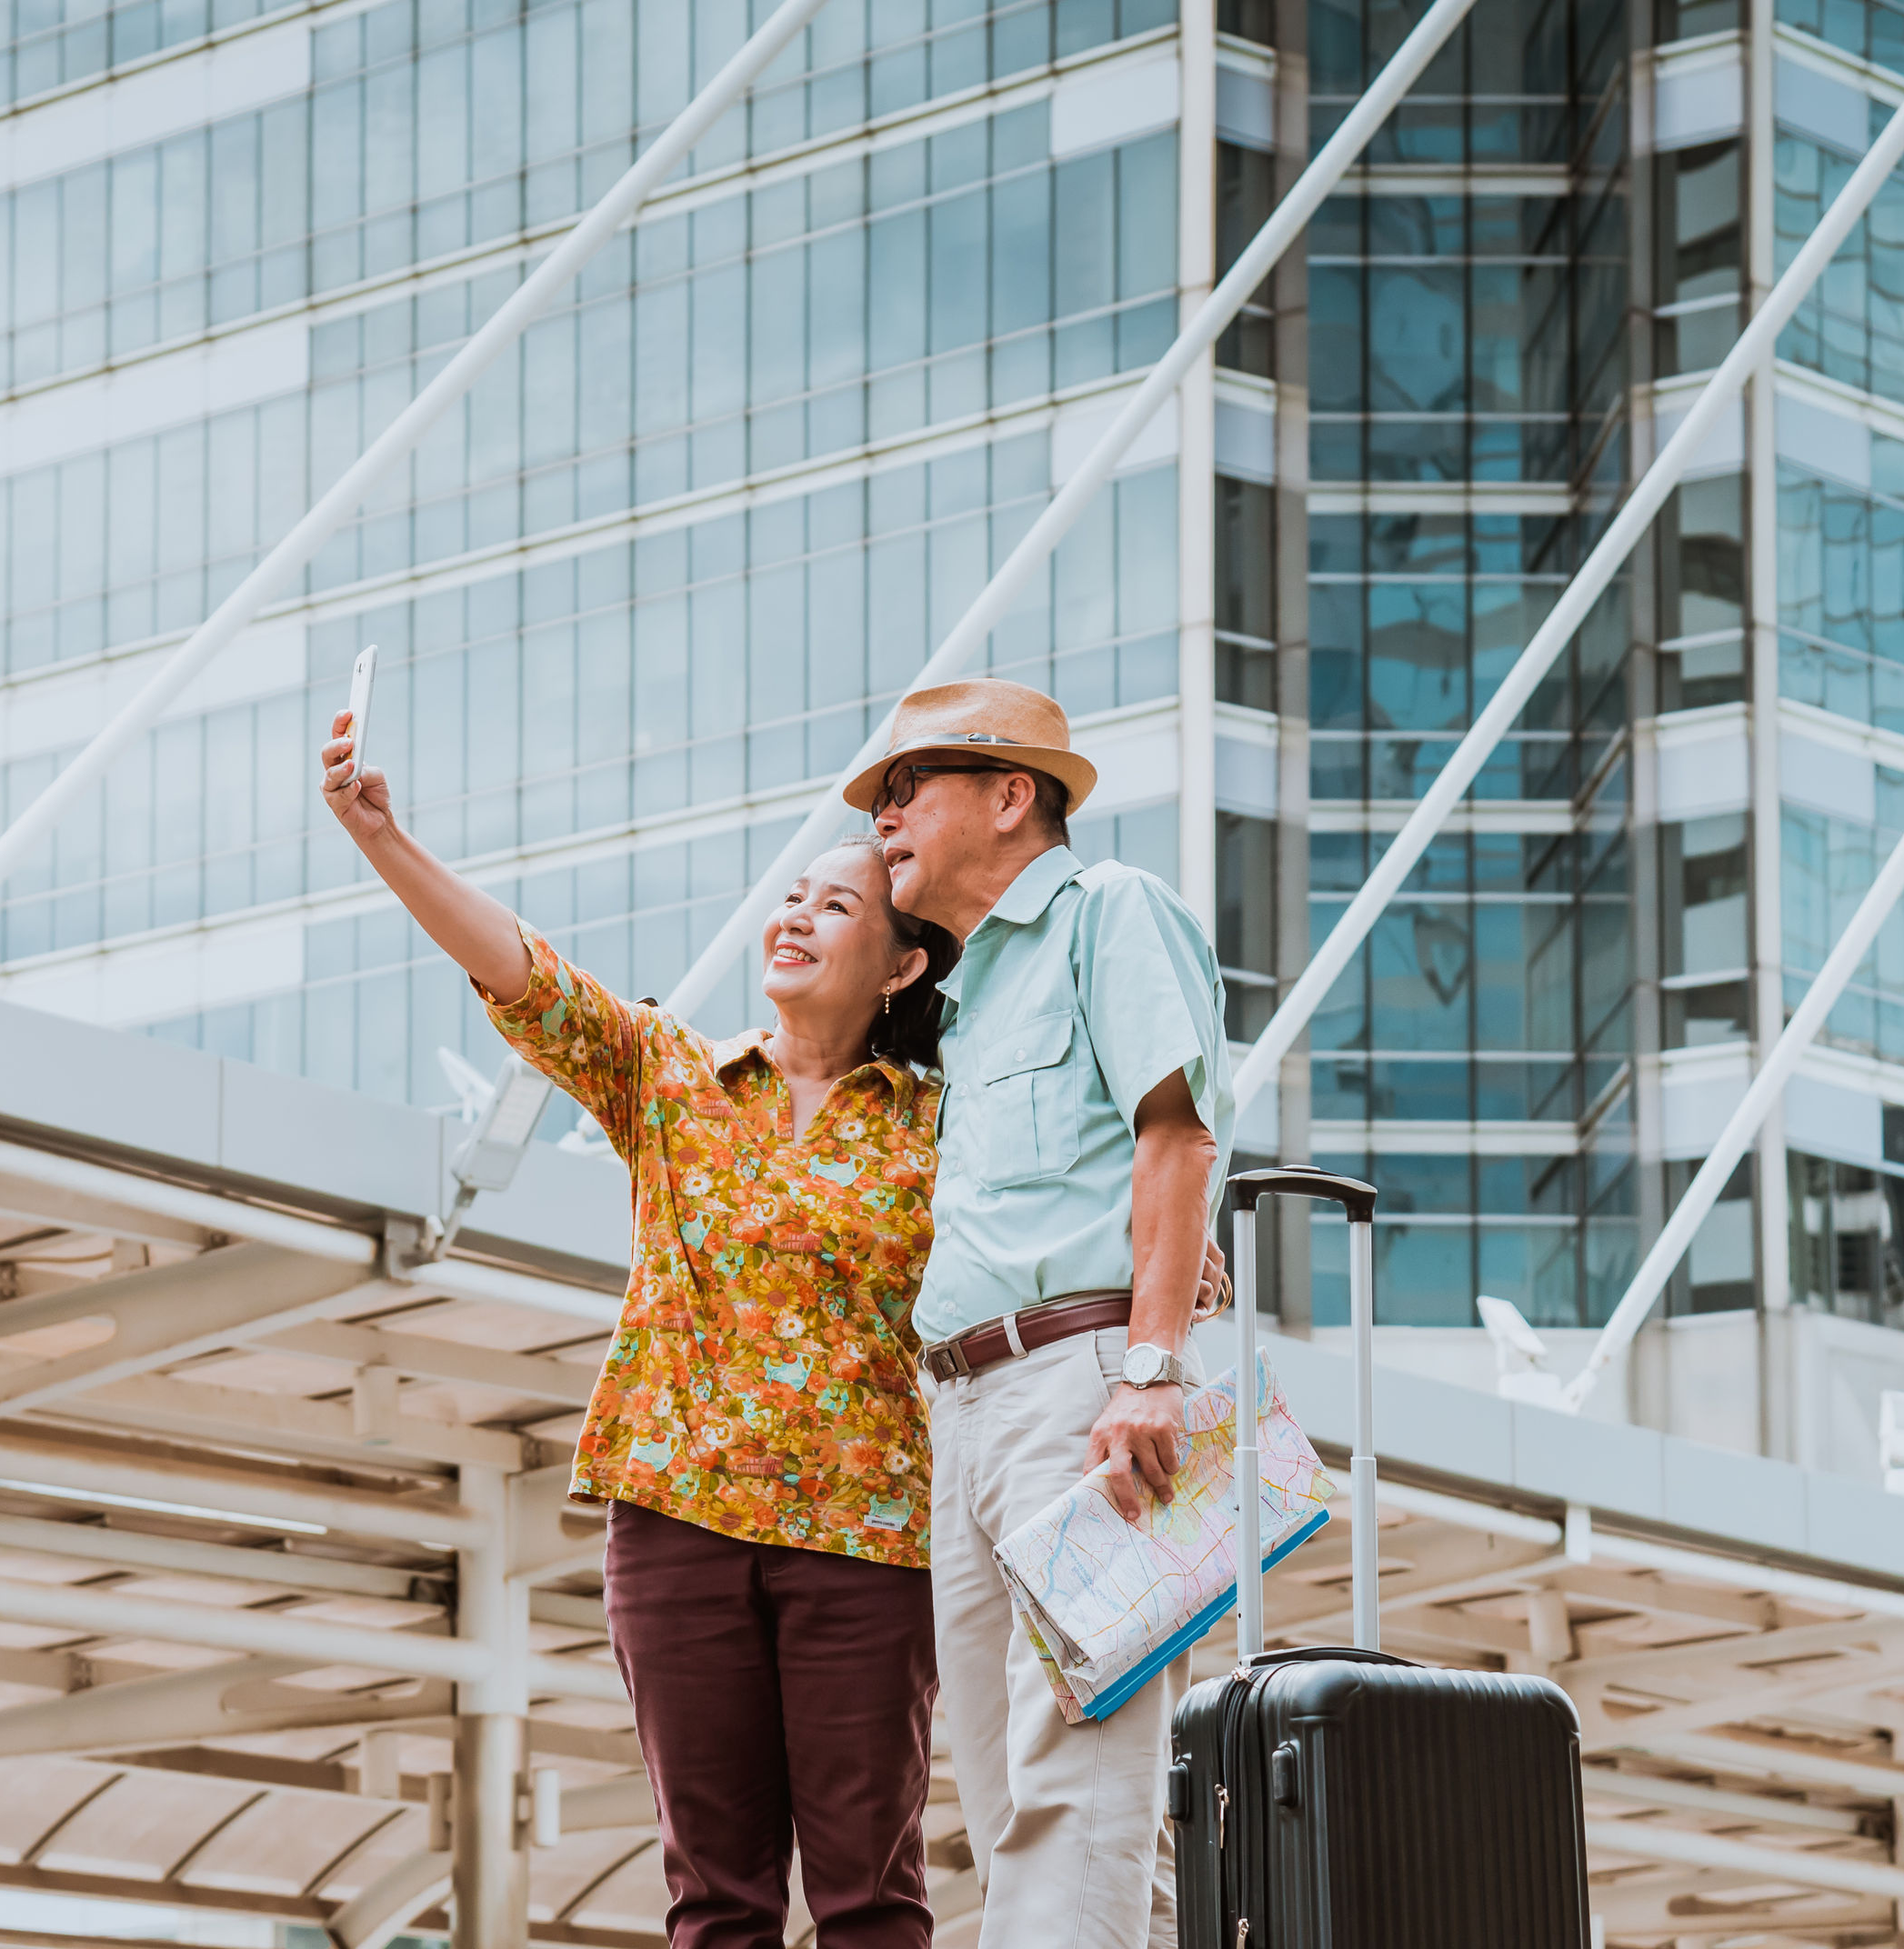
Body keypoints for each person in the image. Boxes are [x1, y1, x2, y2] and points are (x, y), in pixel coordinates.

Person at [318, 707, 959, 1949]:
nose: (792, 917)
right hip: (676, 1530)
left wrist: (1177, 1249)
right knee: (713, 1898)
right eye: (790, 898)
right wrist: (382, 838)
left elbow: (1080, 1193)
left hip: (867, 1538)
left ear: (900, 968)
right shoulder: (673, 1080)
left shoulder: (946, 1125)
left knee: (870, 1901)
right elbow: (523, 975)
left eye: (834, 908)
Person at [867, 678, 1236, 1949]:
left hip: (1082, 1389)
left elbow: (1179, 1134)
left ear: (1012, 797)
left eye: (908, 789)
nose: (883, 818)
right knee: (1021, 1800)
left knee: (1077, 1785)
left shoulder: (1110, 913)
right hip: (966, 1410)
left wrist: (1150, 1367)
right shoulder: (967, 1005)